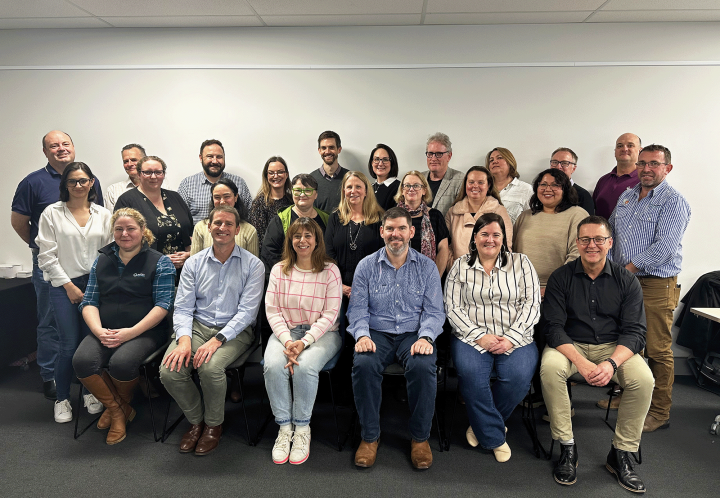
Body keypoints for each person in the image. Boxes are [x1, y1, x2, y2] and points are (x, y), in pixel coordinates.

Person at [541, 215, 653, 492]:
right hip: (569, 345)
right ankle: (567, 447)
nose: (592, 245)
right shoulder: (561, 277)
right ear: (577, 243)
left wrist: (611, 363)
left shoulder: (627, 281)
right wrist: (581, 362)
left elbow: (636, 331)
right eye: (586, 239)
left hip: (614, 347)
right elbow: (553, 328)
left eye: (599, 239)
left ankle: (621, 453)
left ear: (610, 243)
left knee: (644, 380)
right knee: (550, 369)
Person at [160, 205, 264, 455]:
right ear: (209, 226)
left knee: (210, 368)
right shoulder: (193, 263)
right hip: (196, 328)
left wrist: (217, 340)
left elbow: (247, 313)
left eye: (229, 224)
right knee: (170, 371)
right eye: (217, 223)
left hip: (235, 332)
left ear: (237, 230)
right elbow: (183, 308)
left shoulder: (254, 265)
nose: (222, 228)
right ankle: (197, 421)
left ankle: (213, 426)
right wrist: (184, 341)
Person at [348, 207, 445, 470]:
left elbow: (435, 312)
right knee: (364, 364)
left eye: (402, 228)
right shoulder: (366, 266)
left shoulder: (427, 267)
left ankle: (420, 438)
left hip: (413, 334)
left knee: (424, 367)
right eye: (390, 228)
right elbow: (357, 309)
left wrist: (426, 337)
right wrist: (362, 335)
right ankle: (369, 437)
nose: (396, 234)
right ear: (382, 232)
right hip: (377, 333)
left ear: (412, 232)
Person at [11, 130, 104, 400]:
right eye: (54, 146)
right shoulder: (33, 182)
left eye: (65, 144)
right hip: (49, 265)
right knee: (51, 322)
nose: (61, 149)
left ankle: (83, 375)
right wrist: (43, 248)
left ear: (73, 147)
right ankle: (51, 375)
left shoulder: (85, 177)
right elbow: (19, 222)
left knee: (89, 324)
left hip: (86, 267)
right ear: (45, 152)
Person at [72, 208, 176, 445]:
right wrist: (98, 331)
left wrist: (130, 333)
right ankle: (119, 410)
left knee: (122, 363)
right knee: (82, 361)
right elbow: (89, 301)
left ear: (142, 231)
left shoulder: (160, 262)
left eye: (131, 228)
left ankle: (117, 409)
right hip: (105, 329)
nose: (124, 233)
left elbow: (163, 305)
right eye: (119, 229)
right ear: (113, 232)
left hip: (146, 332)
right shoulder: (102, 260)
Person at [445, 213, 540, 462]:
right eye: (484, 234)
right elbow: (452, 308)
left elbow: (531, 305)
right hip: (470, 337)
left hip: (516, 336)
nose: (490, 239)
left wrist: (510, 338)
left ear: (504, 238)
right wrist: (480, 336)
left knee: (518, 378)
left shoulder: (521, 262)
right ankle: (494, 436)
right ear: (474, 238)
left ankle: (481, 425)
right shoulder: (460, 265)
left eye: (496, 235)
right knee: (473, 378)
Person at [609, 144, 691, 433]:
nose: (646, 169)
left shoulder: (673, 201)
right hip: (623, 279)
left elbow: (666, 248)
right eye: (642, 163)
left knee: (657, 349)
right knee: (629, 344)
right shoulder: (627, 196)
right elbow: (612, 234)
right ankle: (632, 397)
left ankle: (659, 411)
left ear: (667, 168)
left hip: (655, 282)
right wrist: (609, 267)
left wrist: (625, 270)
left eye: (654, 163)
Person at [36, 162, 112, 423]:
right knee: (68, 344)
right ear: (64, 185)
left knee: (90, 343)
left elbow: (110, 252)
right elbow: (45, 255)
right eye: (72, 181)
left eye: (83, 180)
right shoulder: (52, 213)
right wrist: (68, 286)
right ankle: (63, 398)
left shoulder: (104, 214)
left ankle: (91, 392)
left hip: (95, 284)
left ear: (92, 182)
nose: (78, 185)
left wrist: (95, 286)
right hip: (63, 285)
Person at [264, 218, 343, 465]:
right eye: (297, 236)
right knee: (273, 366)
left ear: (317, 240)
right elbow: (272, 311)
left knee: (305, 366)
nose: (302, 240)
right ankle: (284, 427)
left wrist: (304, 342)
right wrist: (289, 342)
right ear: (290, 241)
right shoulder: (280, 269)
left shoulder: (330, 270)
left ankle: (302, 428)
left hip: (323, 334)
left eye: (308, 235)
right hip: (285, 334)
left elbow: (331, 314)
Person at [513, 169, 588, 294]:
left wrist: (552, 288)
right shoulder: (525, 216)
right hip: (521, 288)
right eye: (543, 184)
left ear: (565, 189)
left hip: (560, 290)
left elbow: (578, 255)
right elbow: (513, 252)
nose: (548, 189)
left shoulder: (577, 214)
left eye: (555, 185)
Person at [115, 155, 193, 274]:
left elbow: (190, 232)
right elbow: (124, 240)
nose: (153, 176)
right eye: (147, 172)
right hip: (147, 271)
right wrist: (160, 260)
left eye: (158, 172)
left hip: (183, 270)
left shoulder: (175, 197)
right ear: (139, 174)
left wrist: (189, 254)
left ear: (163, 174)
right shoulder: (127, 201)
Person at [325, 171, 384, 301]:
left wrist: (366, 287)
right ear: (344, 191)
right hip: (338, 289)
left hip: (372, 290)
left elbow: (384, 256)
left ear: (366, 191)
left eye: (358, 187)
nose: (353, 191)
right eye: (349, 187)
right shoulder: (335, 218)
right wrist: (341, 285)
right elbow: (328, 254)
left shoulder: (380, 219)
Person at [261, 174, 329, 279]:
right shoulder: (279, 220)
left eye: (307, 190)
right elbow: (270, 254)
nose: (302, 195)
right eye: (297, 190)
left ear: (316, 194)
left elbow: (330, 252)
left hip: (320, 278)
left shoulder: (326, 220)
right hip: (287, 278)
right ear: (292, 192)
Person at [445, 166, 513, 267]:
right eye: (471, 182)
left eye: (481, 182)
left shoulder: (499, 211)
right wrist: (454, 265)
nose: (475, 186)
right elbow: (445, 246)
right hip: (459, 273)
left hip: (491, 274)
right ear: (465, 184)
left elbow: (506, 245)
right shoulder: (453, 212)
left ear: (488, 185)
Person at [178, 139, 253, 225]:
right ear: (201, 158)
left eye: (219, 157)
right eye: (210, 156)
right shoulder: (187, 185)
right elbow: (180, 219)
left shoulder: (239, 183)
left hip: (234, 237)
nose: (215, 161)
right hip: (198, 237)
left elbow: (250, 216)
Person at [394, 171, 449, 277]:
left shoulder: (435, 216)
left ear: (424, 190)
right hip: (397, 278)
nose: (411, 189)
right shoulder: (392, 216)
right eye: (407, 186)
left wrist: (434, 278)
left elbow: (443, 249)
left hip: (428, 277)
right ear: (402, 190)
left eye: (416, 186)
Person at [190, 178, 258, 257]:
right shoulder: (200, 228)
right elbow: (194, 263)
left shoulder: (249, 230)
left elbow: (253, 265)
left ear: (236, 197)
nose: (222, 201)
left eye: (227, 196)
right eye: (217, 197)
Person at [592, 133, 642, 220]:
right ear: (615, 151)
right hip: (601, 233)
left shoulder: (644, 181)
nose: (624, 149)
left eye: (630, 145)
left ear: (640, 151)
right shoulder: (603, 180)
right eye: (620, 146)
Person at [249, 156, 293, 248]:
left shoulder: (293, 200)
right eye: (271, 173)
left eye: (280, 172)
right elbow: (260, 239)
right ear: (266, 176)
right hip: (269, 256)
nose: (276, 176)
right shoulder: (259, 203)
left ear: (286, 174)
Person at [485, 147, 532, 224]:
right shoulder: (483, 189)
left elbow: (531, 219)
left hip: (515, 235)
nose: (495, 162)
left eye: (499, 158)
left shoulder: (526, 189)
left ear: (510, 162)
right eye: (491, 160)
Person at [420, 132, 463, 216]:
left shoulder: (460, 179)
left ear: (449, 156)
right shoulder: (419, 179)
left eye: (439, 154)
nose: (433, 158)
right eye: (430, 154)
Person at [309, 131, 349, 213]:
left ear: (339, 149)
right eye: (324, 148)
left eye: (331, 147)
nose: (327, 151)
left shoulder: (350, 178)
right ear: (319, 150)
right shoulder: (310, 180)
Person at [549, 147, 594, 215]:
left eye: (564, 163)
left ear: (573, 168)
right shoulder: (543, 192)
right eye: (555, 162)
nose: (558, 167)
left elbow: (588, 224)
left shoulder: (583, 195)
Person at [105, 144, 145, 212]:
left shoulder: (161, 187)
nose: (129, 164)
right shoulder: (113, 191)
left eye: (134, 160)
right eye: (126, 161)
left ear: (144, 161)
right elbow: (112, 221)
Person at [367, 143, 401, 211]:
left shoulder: (399, 188)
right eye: (376, 159)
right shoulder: (369, 188)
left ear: (392, 163)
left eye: (385, 160)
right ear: (372, 163)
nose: (380, 163)